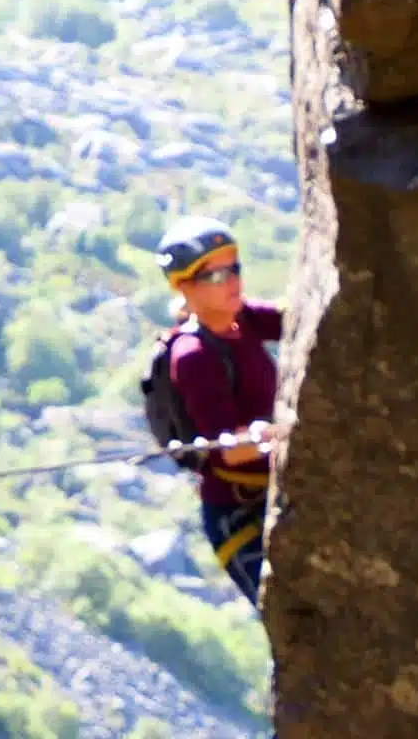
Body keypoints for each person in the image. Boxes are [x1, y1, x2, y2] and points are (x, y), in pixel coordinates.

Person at [154, 215, 283, 607]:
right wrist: (277, 434)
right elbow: (229, 448)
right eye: (214, 276)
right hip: (239, 514)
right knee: (294, 623)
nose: (232, 282)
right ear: (185, 287)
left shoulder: (243, 320)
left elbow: (299, 320)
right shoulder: (193, 356)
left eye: (234, 269)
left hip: (276, 488)